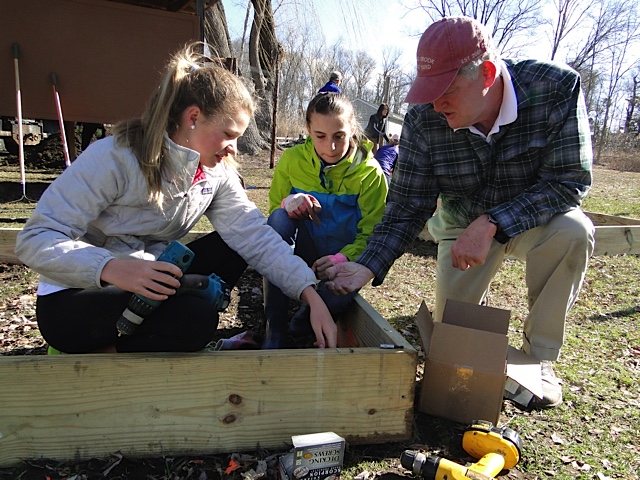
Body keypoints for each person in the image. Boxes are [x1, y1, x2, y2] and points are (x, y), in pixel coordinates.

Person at [326, 16, 595, 409]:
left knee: (575, 231)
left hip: (531, 219)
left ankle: (537, 359)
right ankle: (473, 323)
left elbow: (569, 179)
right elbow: (406, 206)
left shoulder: (555, 89)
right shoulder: (424, 118)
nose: (436, 104)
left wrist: (494, 222)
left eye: (447, 90)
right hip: (458, 221)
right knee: (455, 338)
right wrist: (368, 264)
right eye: (428, 92)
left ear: (487, 73)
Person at [14, 42, 337, 354]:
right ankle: (106, 353)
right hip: (80, 292)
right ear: (193, 117)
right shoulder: (113, 157)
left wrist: (310, 294)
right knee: (196, 319)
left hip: (149, 275)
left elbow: (254, 237)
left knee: (234, 243)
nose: (233, 148)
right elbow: (36, 239)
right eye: (228, 135)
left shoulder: (215, 172)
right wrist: (110, 267)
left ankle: (154, 326)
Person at [262, 92, 388, 349]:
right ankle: (273, 328)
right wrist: (290, 205)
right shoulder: (292, 160)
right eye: (320, 136)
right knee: (278, 220)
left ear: (352, 129)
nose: (330, 147)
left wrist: (343, 259)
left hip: (342, 261)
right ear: (308, 129)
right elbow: (275, 212)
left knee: (331, 304)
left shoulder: (371, 173)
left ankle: (302, 322)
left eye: (339, 136)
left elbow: (372, 234)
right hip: (302, 251)